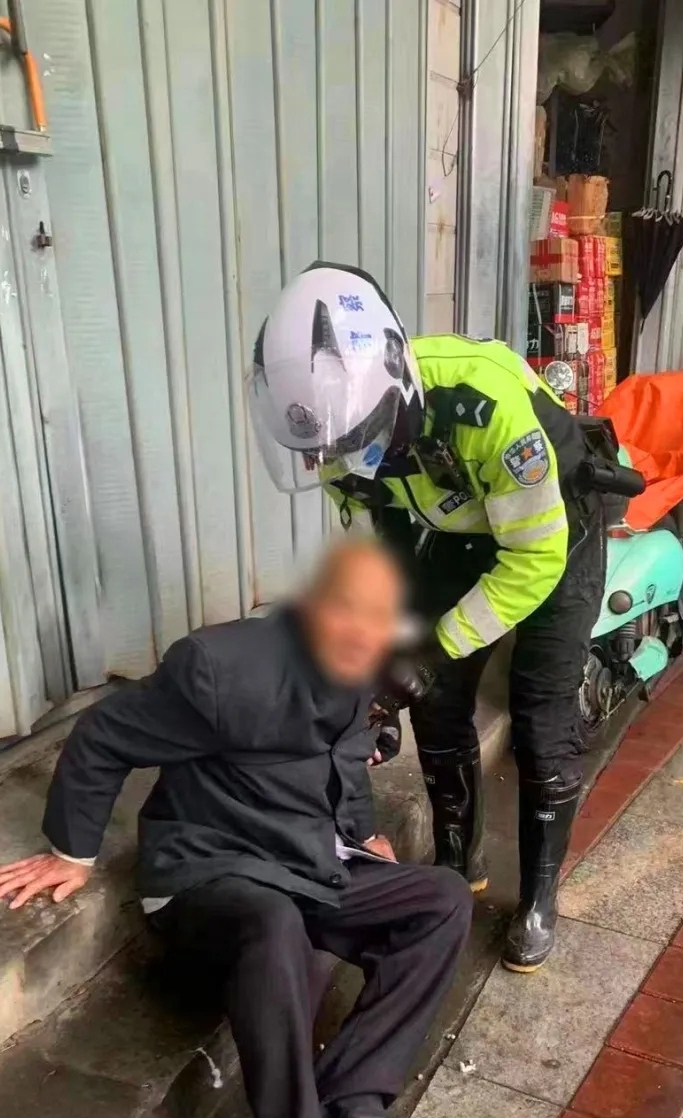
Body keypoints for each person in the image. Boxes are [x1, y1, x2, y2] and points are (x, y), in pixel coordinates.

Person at [0, 540, 473, 1118]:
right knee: (273, 924)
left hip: (309, 861)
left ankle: (353, 1098)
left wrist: (361, 833)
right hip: (211, 871)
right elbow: (105, 736)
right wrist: (72, 853)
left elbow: (346, 759)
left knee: (441, 898)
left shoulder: (361, 663)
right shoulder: (221, 667)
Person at [249, 262, 608, 973]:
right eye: (330, 451)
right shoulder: (334, 434)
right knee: (434, 705)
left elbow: (532, 561)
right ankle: (455, 862)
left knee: (540, 719)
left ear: (398, 384)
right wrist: (380, 665)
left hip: (552, 535)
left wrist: (437, 647)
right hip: (450, 531)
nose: (344, 460)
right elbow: (381, 546)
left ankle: (539, 895)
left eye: (360, 437)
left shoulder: (486, 406)